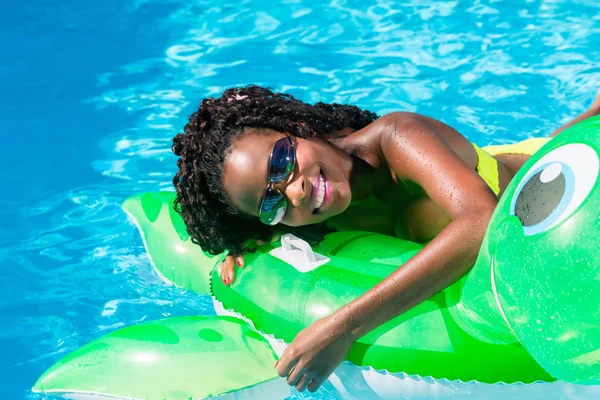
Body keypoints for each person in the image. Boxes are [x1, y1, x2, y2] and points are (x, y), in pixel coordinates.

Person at [172, 85, 600, 393]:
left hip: (543, 182)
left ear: (296, 126)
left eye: (282, 160)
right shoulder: (301, 215)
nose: (294, 190)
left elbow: (480, 223)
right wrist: (240, 243)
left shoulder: (396, 137)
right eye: (270, 202)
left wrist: (342, 326)